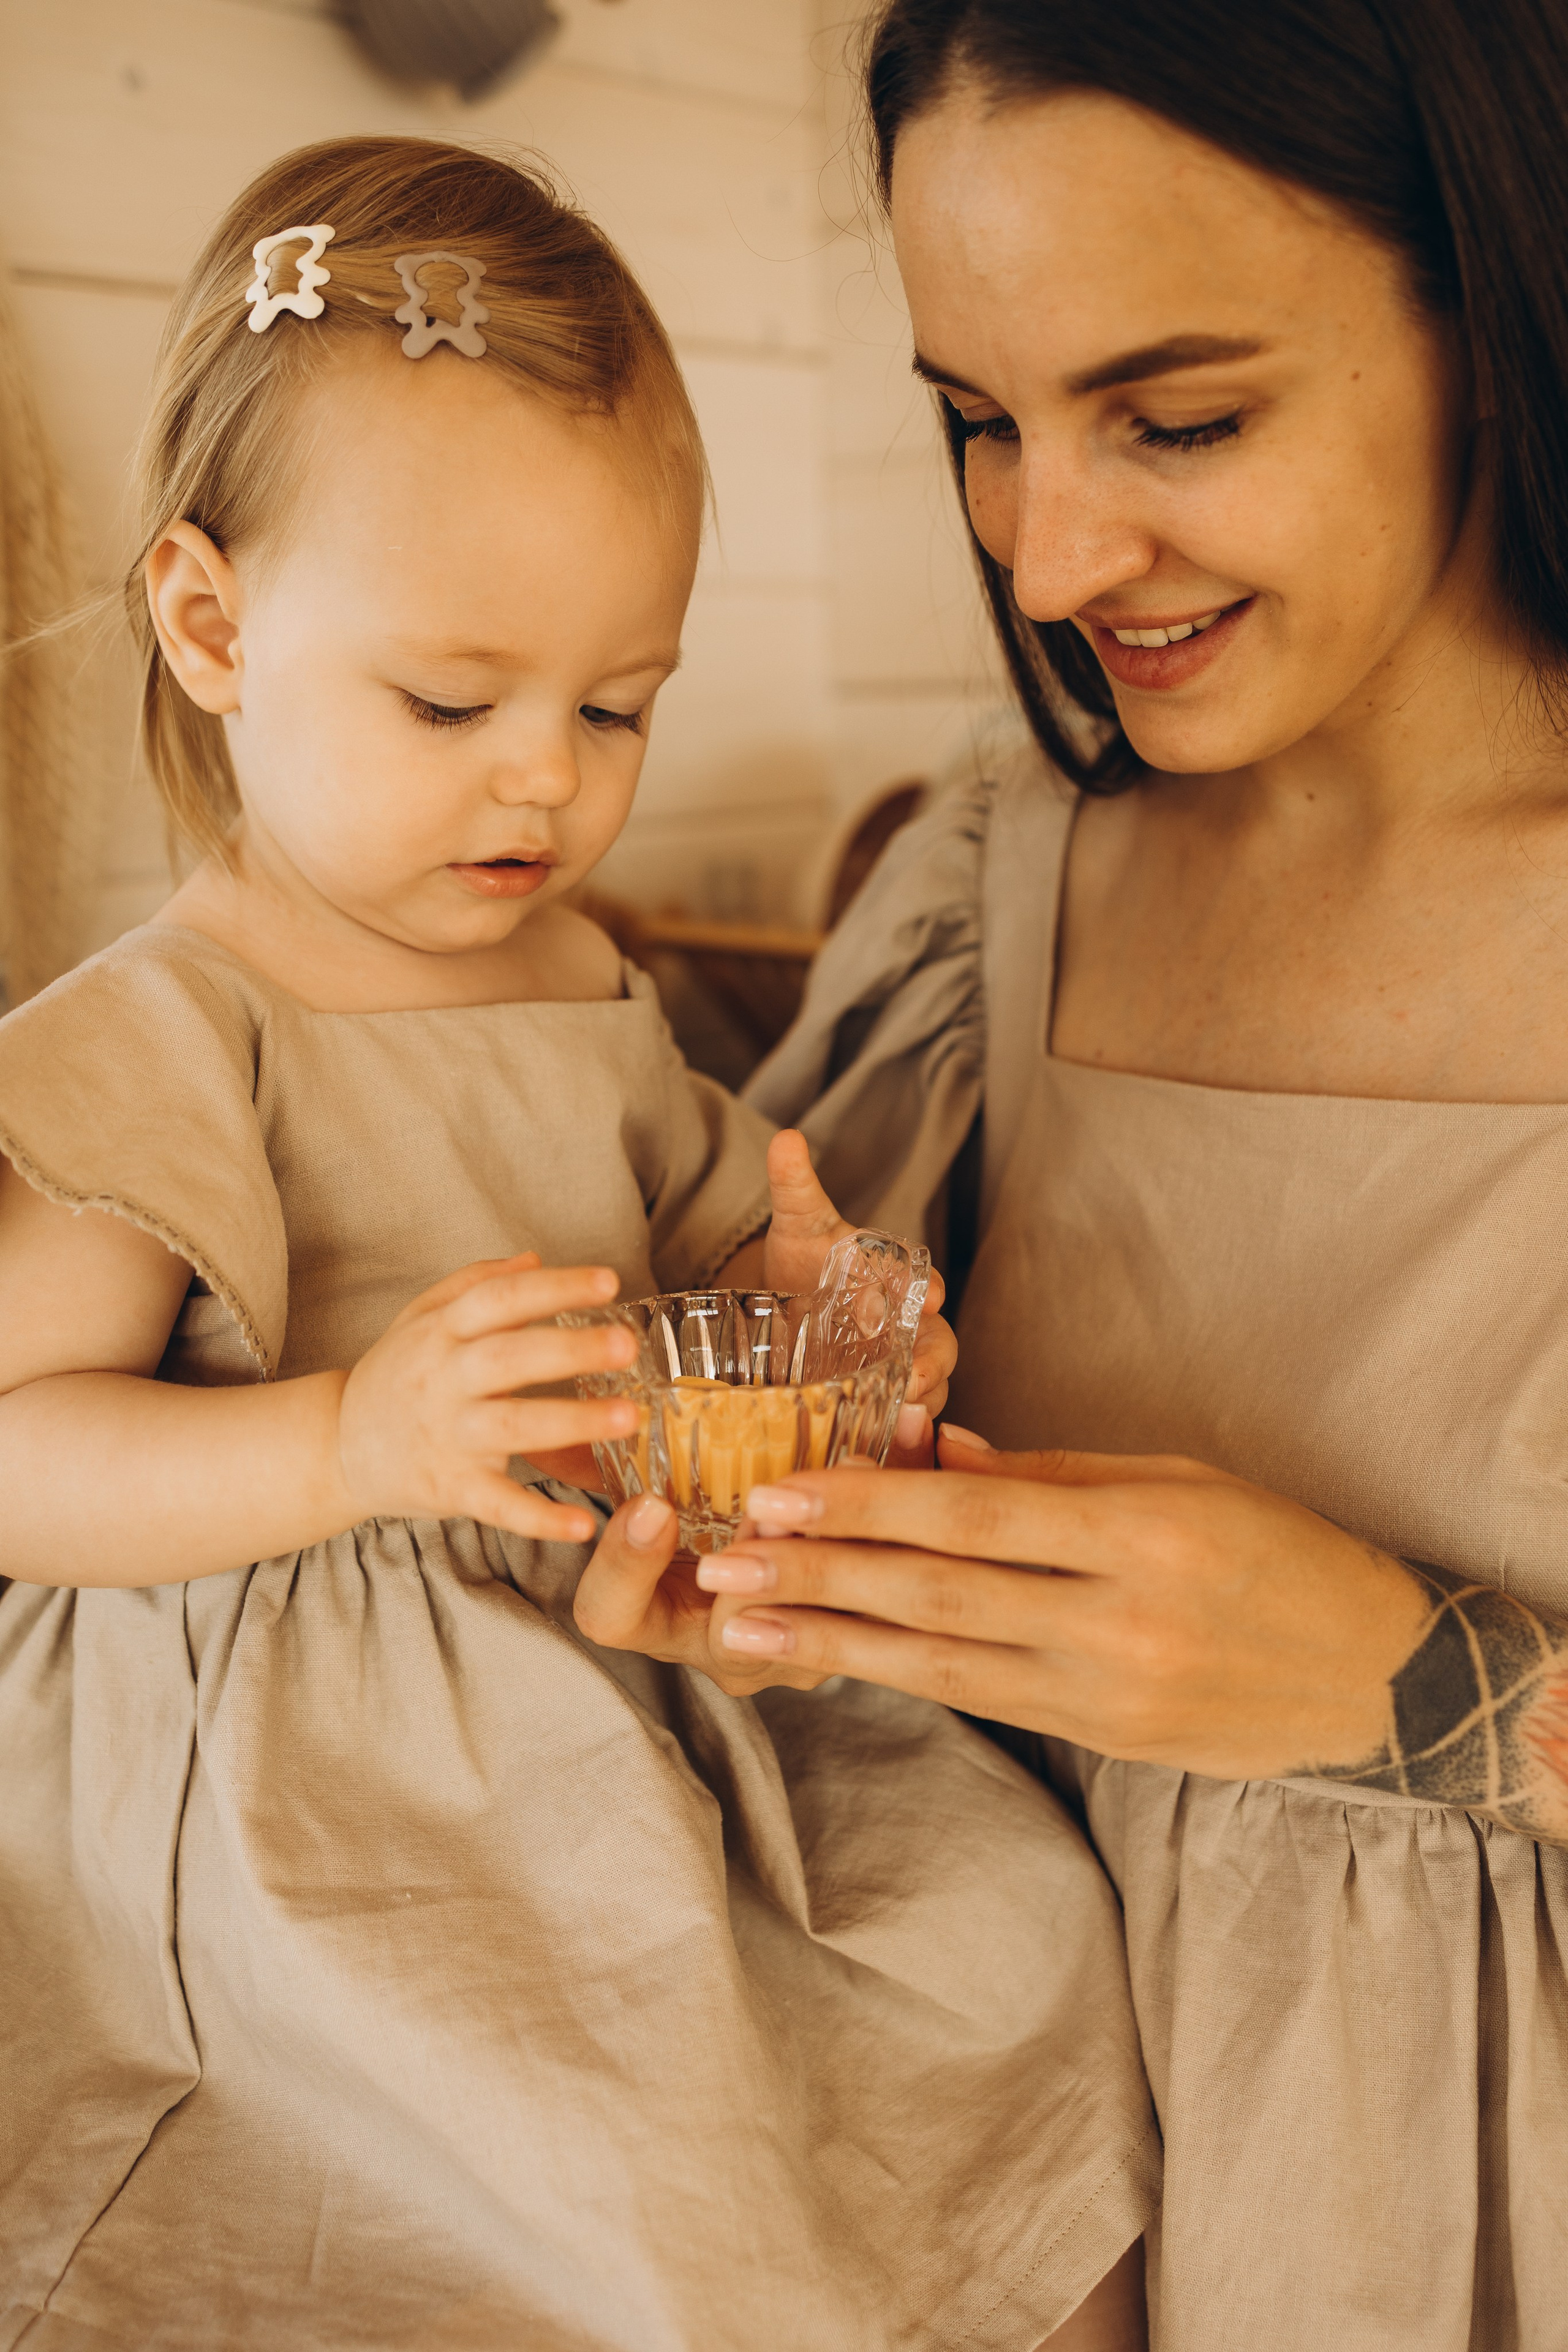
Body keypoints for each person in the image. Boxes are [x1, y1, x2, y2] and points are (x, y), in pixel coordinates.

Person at [0, 134, 1159, 2351]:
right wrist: (347, 1437)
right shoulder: (161, 1037)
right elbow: (16, 1459)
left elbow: (727, 1215)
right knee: (626, 2177)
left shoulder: (578, 985)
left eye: (618, 707)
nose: (548, 783)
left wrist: (820, 1293)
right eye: (456, 705)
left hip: (629, 1681)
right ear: (212, 622)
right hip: (331, 1786)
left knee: (1005, 1941)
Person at [575, 3, 1568, 2346]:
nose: (1045, 561)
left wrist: (1431, 1688)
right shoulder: (986, 893)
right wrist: (743, 1591)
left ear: (1505, 293)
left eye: (1182, 416)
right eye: (979, 426)